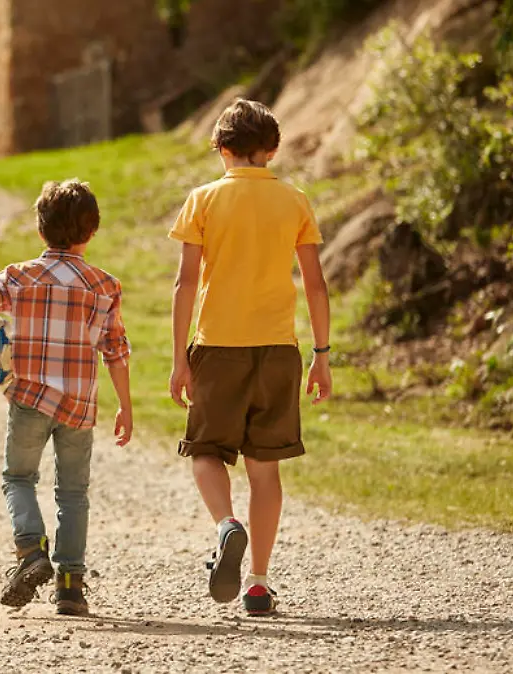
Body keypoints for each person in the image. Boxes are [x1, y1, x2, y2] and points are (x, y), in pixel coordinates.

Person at [0, 179, 133, 617]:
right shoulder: (104, 286)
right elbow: (115, 352)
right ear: (92, 231)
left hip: (28, 398)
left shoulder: (20, 277)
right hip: (79, 407)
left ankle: (30, 550)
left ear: (41, 229)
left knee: (19, 479)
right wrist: (126, 406)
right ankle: (70, 586)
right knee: (74, 493)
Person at [167, 99, 333, 617]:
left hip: (218, 346)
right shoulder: (295, 200)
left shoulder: (203, 200)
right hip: (279, 351)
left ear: (221, 149)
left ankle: (225, 526)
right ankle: (258, 583)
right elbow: (315, 283)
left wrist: (179, 358)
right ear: (273, 149)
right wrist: (322, 354)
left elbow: (186, 282)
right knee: (265, 470)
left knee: (204, 452)